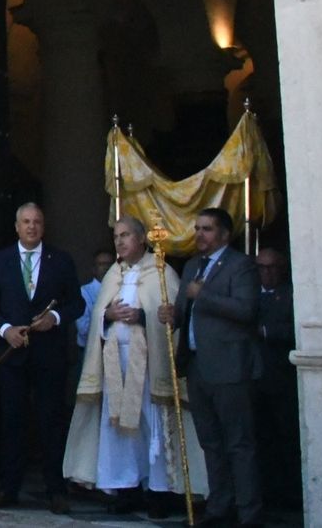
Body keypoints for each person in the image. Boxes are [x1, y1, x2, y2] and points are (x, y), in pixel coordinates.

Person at [63, 217, 206, 517]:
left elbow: (172, 318)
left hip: (150, 365)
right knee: (118, 425)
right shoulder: (113, 274)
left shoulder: (161, 272)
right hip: (116, 363)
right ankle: (125, 488)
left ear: (141, 239)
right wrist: (108, 315)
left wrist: (142, 317)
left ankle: (159, 492)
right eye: (116, 236)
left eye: (126, 235)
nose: (119, 241)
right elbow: (98, 317)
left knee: (152, 425)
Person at [158, 207, 263, 528]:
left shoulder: (240, 265)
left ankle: (249, 512)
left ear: (224, 234)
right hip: (197, 365)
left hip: (230, 367)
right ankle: (220, 506)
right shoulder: (192, 266)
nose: (199, 235)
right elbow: (184, 309)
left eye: (206, 229)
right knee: (211, 442)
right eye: (197, 228)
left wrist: (204, 295)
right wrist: (171, 315)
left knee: (239, 443)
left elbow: (246, 310)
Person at [0, 201, 84, 513]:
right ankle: (9, 488)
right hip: (12, 356)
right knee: (12, 421)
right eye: (26, 221)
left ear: (43, 226)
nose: (31, 226)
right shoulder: (0, 261)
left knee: (51, 421)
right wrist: (6, 330)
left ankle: (56, 490)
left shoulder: (60, 260)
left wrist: (55, 317)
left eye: (36, 221)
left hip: (49, 356)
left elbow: (76, 304)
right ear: (16, 227)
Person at [254, 248, 300, 510]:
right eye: (261, 267)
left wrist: (265, 331)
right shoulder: (250, 294)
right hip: (254, 380)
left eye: (272, 267)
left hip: (281, 379)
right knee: (261, 440)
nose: (267, 273)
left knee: (286, 439)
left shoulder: (292, 294)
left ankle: (290, 497)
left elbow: (297, 329)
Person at [74, 247, 116, 352]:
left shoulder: (121, 289)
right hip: (90, 349)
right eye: (101, 264)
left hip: (115, 350)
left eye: (110, 264)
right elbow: (83, 329)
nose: (106, 268)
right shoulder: (84, 292)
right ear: (93, 269)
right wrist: (106, 318)